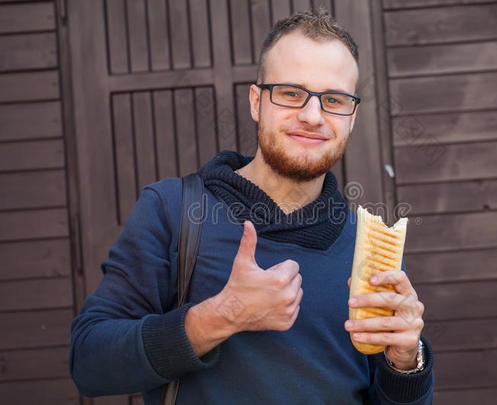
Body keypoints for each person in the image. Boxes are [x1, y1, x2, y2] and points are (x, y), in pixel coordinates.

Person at [70, 9, 434, 405]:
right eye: (292, 93)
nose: (313, 116)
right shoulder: (173, 210)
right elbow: (89, 363)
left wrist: (406, 362)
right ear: (256, 102)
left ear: (352, 117)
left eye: (333, 99)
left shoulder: (366, 248)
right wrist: (222, 315)